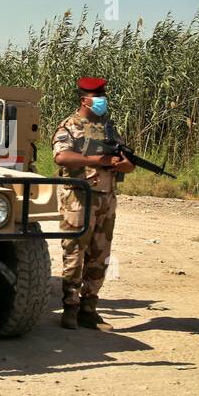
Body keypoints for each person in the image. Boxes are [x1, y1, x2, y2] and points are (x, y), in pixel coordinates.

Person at [52, 77, 133, 330]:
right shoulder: (70, 126)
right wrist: (97, 159)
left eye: (103, 94)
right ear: (84, 98)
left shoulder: (108, 128)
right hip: (79, 197)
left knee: (100, 255)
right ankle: (70, 308)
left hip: (106, 199)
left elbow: (128, 161)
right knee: (75, 252)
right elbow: (61, 156)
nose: (101, 100)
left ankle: (89, 308)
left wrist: (123, 164)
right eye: (97, 95)